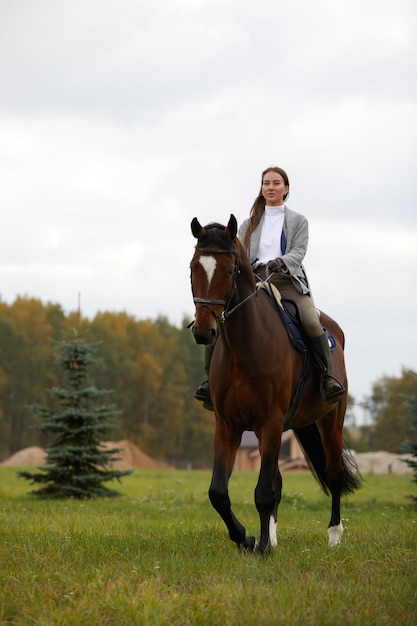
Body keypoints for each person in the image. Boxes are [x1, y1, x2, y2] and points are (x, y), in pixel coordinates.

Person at [195, 166, 345, 408]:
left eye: (276, 183)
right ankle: (208, 382)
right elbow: (237, 254)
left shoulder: (298, 221)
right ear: (262, 188)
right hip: (253, 282)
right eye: (266, 183)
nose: (271, 187)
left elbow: (299, 251)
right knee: (220, 319)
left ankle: (328, 377)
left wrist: (282, 261)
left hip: (286, 281)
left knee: (310, 320)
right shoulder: (246, 224)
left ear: (286, 189)